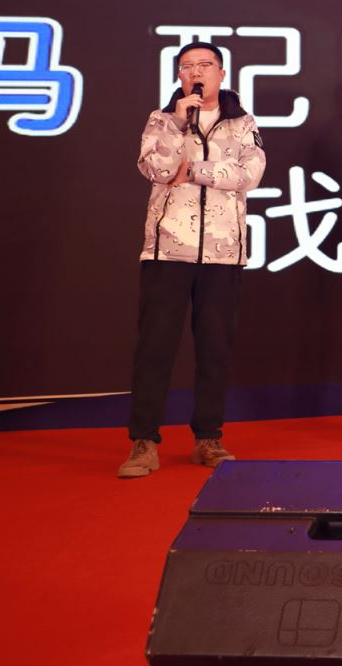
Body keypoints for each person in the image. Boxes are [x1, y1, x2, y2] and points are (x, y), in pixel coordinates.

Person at [119, 41, 265, 478]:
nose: (196, 73)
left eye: (205, 65)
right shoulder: (162, 119)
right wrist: (179, 126)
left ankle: (208, 438)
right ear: (179, 76)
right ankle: (144, 442)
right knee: (155, 348)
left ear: (221, 73)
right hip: (168, 250)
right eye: (187, 67)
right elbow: (158, 170)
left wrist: (196, 171)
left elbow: (250, 175)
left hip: (223, 254)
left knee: (215, 348)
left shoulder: (243, 122)